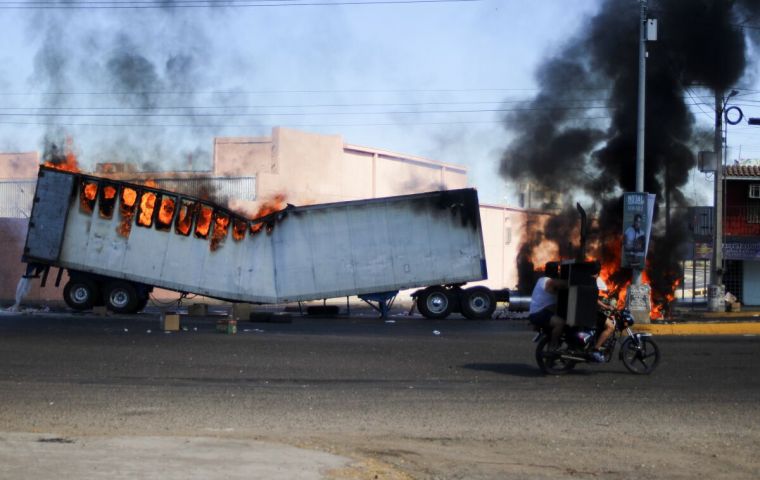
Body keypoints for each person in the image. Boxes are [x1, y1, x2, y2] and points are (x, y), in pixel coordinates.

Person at [528, 262, 567, 349]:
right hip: (539, 314)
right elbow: (566, 284)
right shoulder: (549, 282)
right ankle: (553, 346)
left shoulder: (541, 280)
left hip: (538, 313)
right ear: (555, 271)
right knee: (560, 323)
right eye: (558, 271)